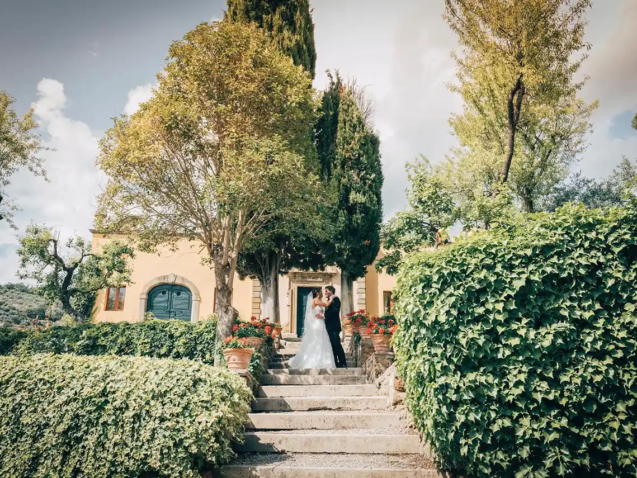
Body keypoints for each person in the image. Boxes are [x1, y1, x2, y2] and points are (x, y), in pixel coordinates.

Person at [288, 289, 336, 370]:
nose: (322, 293)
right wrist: (332, 298)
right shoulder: (316, 300)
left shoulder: (316, 300)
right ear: (317, 293)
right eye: (320, 292)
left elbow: (316, 312)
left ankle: (324, 360)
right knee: (318, 340)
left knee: (322, 340)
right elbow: (326, 304)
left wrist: (322, 315)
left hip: (320, 322)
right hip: (317, 324)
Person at [323, 285, 348, 368]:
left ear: (331, 291)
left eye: (326, 291)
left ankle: (343, 363)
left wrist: (325, 318)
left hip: (334, 326)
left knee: (337, 345)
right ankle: (335, 363)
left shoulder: (336, 299)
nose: (325, 293)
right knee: (332, 346)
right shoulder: (329, 300)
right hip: (329, 327)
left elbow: (335, 311)